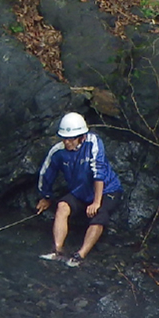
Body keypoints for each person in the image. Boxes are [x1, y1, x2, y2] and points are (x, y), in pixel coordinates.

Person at [36, 112, 123, 267]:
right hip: (80, 191)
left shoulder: (93, 143)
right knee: (62, 206)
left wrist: (96, 202)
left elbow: (99, 172)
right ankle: (58, 250)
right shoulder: (58, 152)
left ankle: (80, 255)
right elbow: (47, 173)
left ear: (82, 136)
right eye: (64, 138)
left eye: (71, 139)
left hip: (107, 190)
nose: (67, 142)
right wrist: (46, 196)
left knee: (99, 216)